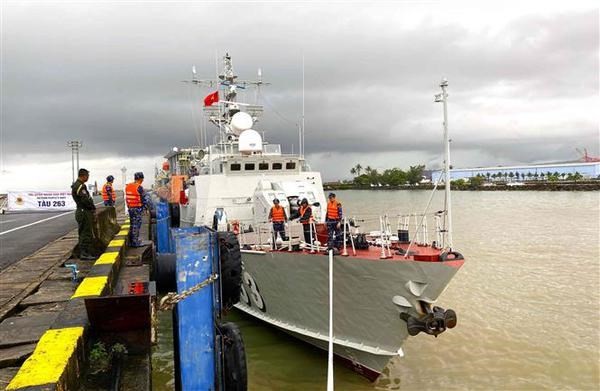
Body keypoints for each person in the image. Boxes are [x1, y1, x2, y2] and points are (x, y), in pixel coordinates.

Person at [71, 168, 97, 260]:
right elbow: (85, 200)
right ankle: (84, 253)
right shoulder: (80, 186)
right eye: (87, 176)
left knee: (84, 232)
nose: (88, 178)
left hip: (82, 210)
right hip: (84, 211)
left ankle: (86, 252)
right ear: (84, 176)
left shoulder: (78, 185)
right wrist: (92, 207)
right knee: (85, 233)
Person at [125, 172, 152, 247]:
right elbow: (145, 199)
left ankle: (132, 241)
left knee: (132, 224)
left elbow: (127, 198)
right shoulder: (139, 187)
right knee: (136, 225)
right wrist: (147, 208)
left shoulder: (128, 186)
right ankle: (135, 242)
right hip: (137, 208)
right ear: (141, 179)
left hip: (130, 208)